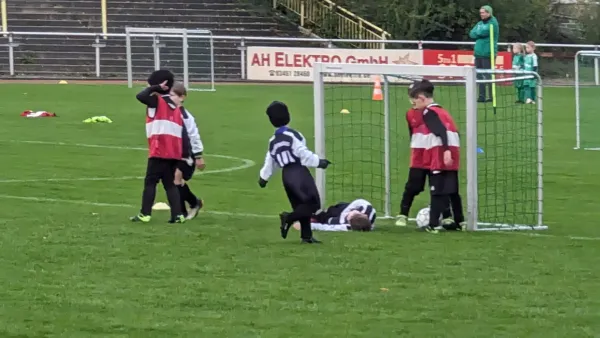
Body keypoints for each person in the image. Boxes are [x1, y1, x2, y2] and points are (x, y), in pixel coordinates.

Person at [257, 101, 331, 244]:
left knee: (300, 205)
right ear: (288, 116)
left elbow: (270, 160)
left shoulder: (272, 140)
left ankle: (306, 236)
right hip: (298, 172)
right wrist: (318, 162)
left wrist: (263, 177)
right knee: (313, 204)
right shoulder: (293, 135)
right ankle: (288, 218)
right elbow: (302, 153)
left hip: (286, 175)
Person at [408, 80, 465, 233]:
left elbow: (440, 131)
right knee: (452, 190)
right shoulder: (443, 111)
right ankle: (460, 222)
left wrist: (445, 150)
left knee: (437, 191)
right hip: (453, 153)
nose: (413, 104)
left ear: (421, 98)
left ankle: (433, 225)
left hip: (440, 154)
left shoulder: (428, 112)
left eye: (413, 100)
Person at [130, 70, 185, 224]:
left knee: (150, 182)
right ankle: (178, 215)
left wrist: (154, 87)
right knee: (169, 183)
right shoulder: (174, 105)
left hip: (160, 148)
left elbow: (140, 96)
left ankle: (145, 214)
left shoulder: (156, 100)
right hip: (174, 150)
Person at [396, 83, 454, 228]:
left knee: (439, 186)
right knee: (413, 185)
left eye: (414, 98)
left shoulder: (435, 112)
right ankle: (403, 214)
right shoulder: (410, 114)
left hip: (435, 154)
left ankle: (447, 215)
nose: (412, 102)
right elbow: (412, 132)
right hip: (419, 154)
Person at [169, 82, 206, 220]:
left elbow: (194, 135)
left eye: (172, 95)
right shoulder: (168, 113)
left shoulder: (186, 117)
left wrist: (198, 156)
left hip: (186, 154)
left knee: (176, 178)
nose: (169, 98)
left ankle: (191, 204)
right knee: (176, 181)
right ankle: (187, 208)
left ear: (182, 97)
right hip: (173, 153)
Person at [469, 5, 499, 103]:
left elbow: (483, 32)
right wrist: (478, 32)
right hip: (478, 53)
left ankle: (491, 96)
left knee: (488, 75)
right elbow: (472, 33)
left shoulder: (493, 23)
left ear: (488, 13)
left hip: (488, 53)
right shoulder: (480, 23)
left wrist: (478, 32)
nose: (481, 14)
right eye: (480, 13)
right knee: (479, 75)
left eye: (483, 12)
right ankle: (481, 96)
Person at [294, 198, 375, 232]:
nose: (353, 212)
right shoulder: (368, 209)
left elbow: (327, 228)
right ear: (365, 215)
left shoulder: (346, 226)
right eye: (356, 212)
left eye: (350, 215)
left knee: (328, 221)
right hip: (344, 208)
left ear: (349, 222)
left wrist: (307, 226)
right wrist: (347, 212)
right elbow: (359, 201)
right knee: (333, 210)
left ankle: (314, 218)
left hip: (339, 220)